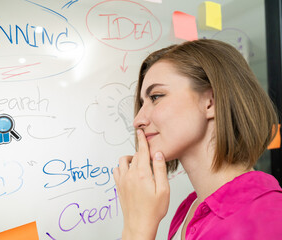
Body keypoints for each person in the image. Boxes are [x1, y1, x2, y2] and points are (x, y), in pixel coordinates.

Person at [112, 39, 282, 240]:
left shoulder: (266, 220)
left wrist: (137, 229)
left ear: (210, 102)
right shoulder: (190, 208)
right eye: (142, 103)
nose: (138, 120)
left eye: (156, 97)